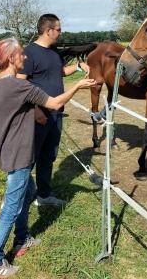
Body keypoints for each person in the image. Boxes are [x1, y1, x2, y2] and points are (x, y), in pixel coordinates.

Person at [0, 37, 95, 279]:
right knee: (10, 208)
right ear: (12, 58)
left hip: (6, 152)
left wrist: (18, 113)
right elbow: (54, 103)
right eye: (21, 54)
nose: (24, 57)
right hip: (19, 155)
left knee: (29, 191)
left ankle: (22, 238)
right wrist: (77, 86)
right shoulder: (20, 87)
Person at [17, 14, 90, 206]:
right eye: (58, 29)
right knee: (29, 158)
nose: (61, 32)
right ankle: (14, 198)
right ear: (48, 30)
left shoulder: (54, 52)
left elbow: (60, 71)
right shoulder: (29, 53)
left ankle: (43, 195)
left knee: (48, 155)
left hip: (56, 113)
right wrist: (34, 110)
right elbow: (19, 85)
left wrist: (79, 66)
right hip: (38, 114)